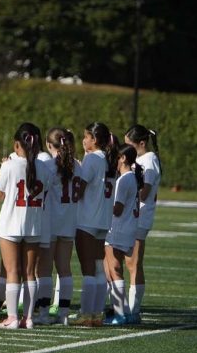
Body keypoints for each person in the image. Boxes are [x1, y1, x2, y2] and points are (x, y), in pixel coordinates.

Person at [0, 122, 50, 330]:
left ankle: (12, 317)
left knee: (12, 271)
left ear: (17, 144)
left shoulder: (9, 165)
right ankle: (29, 318)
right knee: (29, 273)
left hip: (11, 224)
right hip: (34, 225)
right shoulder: (44, 167)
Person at [71, 122, 118, 327]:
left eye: (87, 136)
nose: (84, 140)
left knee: (88, 268)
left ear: (95, 140)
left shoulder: (92, 159)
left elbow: (79, 190)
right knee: (99, 268)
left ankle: (86, 313)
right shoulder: (109, 159)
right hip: (103, 219)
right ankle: (97, 313)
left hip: (87, 219)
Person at [36, 128, 82, 326]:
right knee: (64, 269)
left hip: (51, 221)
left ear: (48, 145)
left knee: (44, 270)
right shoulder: (77, 166)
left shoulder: (48, 165)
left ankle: (44, 313)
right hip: (69, 221)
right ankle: (63, 314)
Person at [123, 125, 162, 324]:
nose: (126, 148)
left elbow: (144, 191)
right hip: (132, 215)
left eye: (130, 145)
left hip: (140, 216)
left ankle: (133, 310)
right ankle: (126, 308)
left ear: (141, 143)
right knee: (128, 262)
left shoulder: (149, 160)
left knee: (134, 263)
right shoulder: (140, 159)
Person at [104, 144, 144, 325]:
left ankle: (120, 313)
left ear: (123, 158)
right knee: (112, 269)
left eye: (117, 157)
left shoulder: (124, 179)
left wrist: (102, 207)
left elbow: (117, 209)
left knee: (114, 269)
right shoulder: (131, 178)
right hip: (128, 228)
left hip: (118, 228)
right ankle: (124, 312)